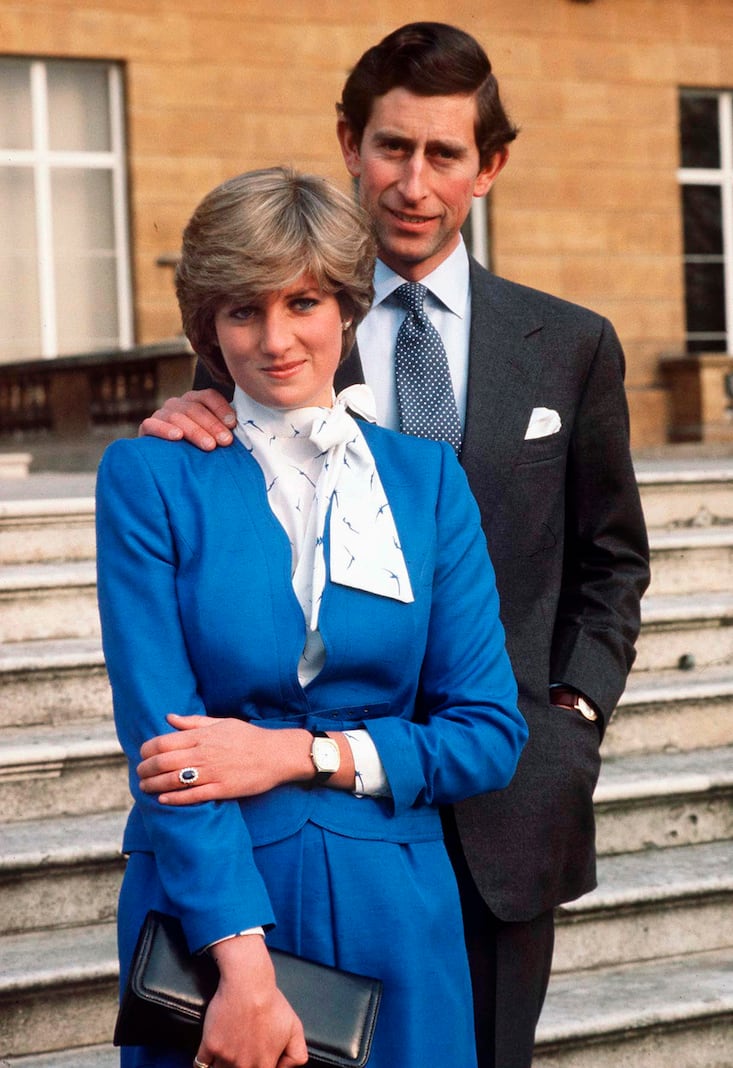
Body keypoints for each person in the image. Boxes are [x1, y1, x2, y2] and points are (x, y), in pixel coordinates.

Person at [138, 22, 651, 1068]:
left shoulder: (571, 344)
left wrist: (569, 717)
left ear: (487, 168)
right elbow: (234, 439)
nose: (413, 182)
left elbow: (612, 556)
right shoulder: (291, 308)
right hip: (290, 821)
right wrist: (180, 416)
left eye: (444, 155)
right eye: (390, 148)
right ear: (348, 143)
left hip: (499, 794)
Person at [97, 165, 527, 1068]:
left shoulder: (426, 480)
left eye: (301, 303)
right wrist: (244, 976)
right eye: (242, 310)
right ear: (208, 327)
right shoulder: (150, 479)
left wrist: (295, 754)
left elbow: (486, 733)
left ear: (344, 306)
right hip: (213, 906)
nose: (276, 338)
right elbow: (166, 750)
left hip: (397, 909)